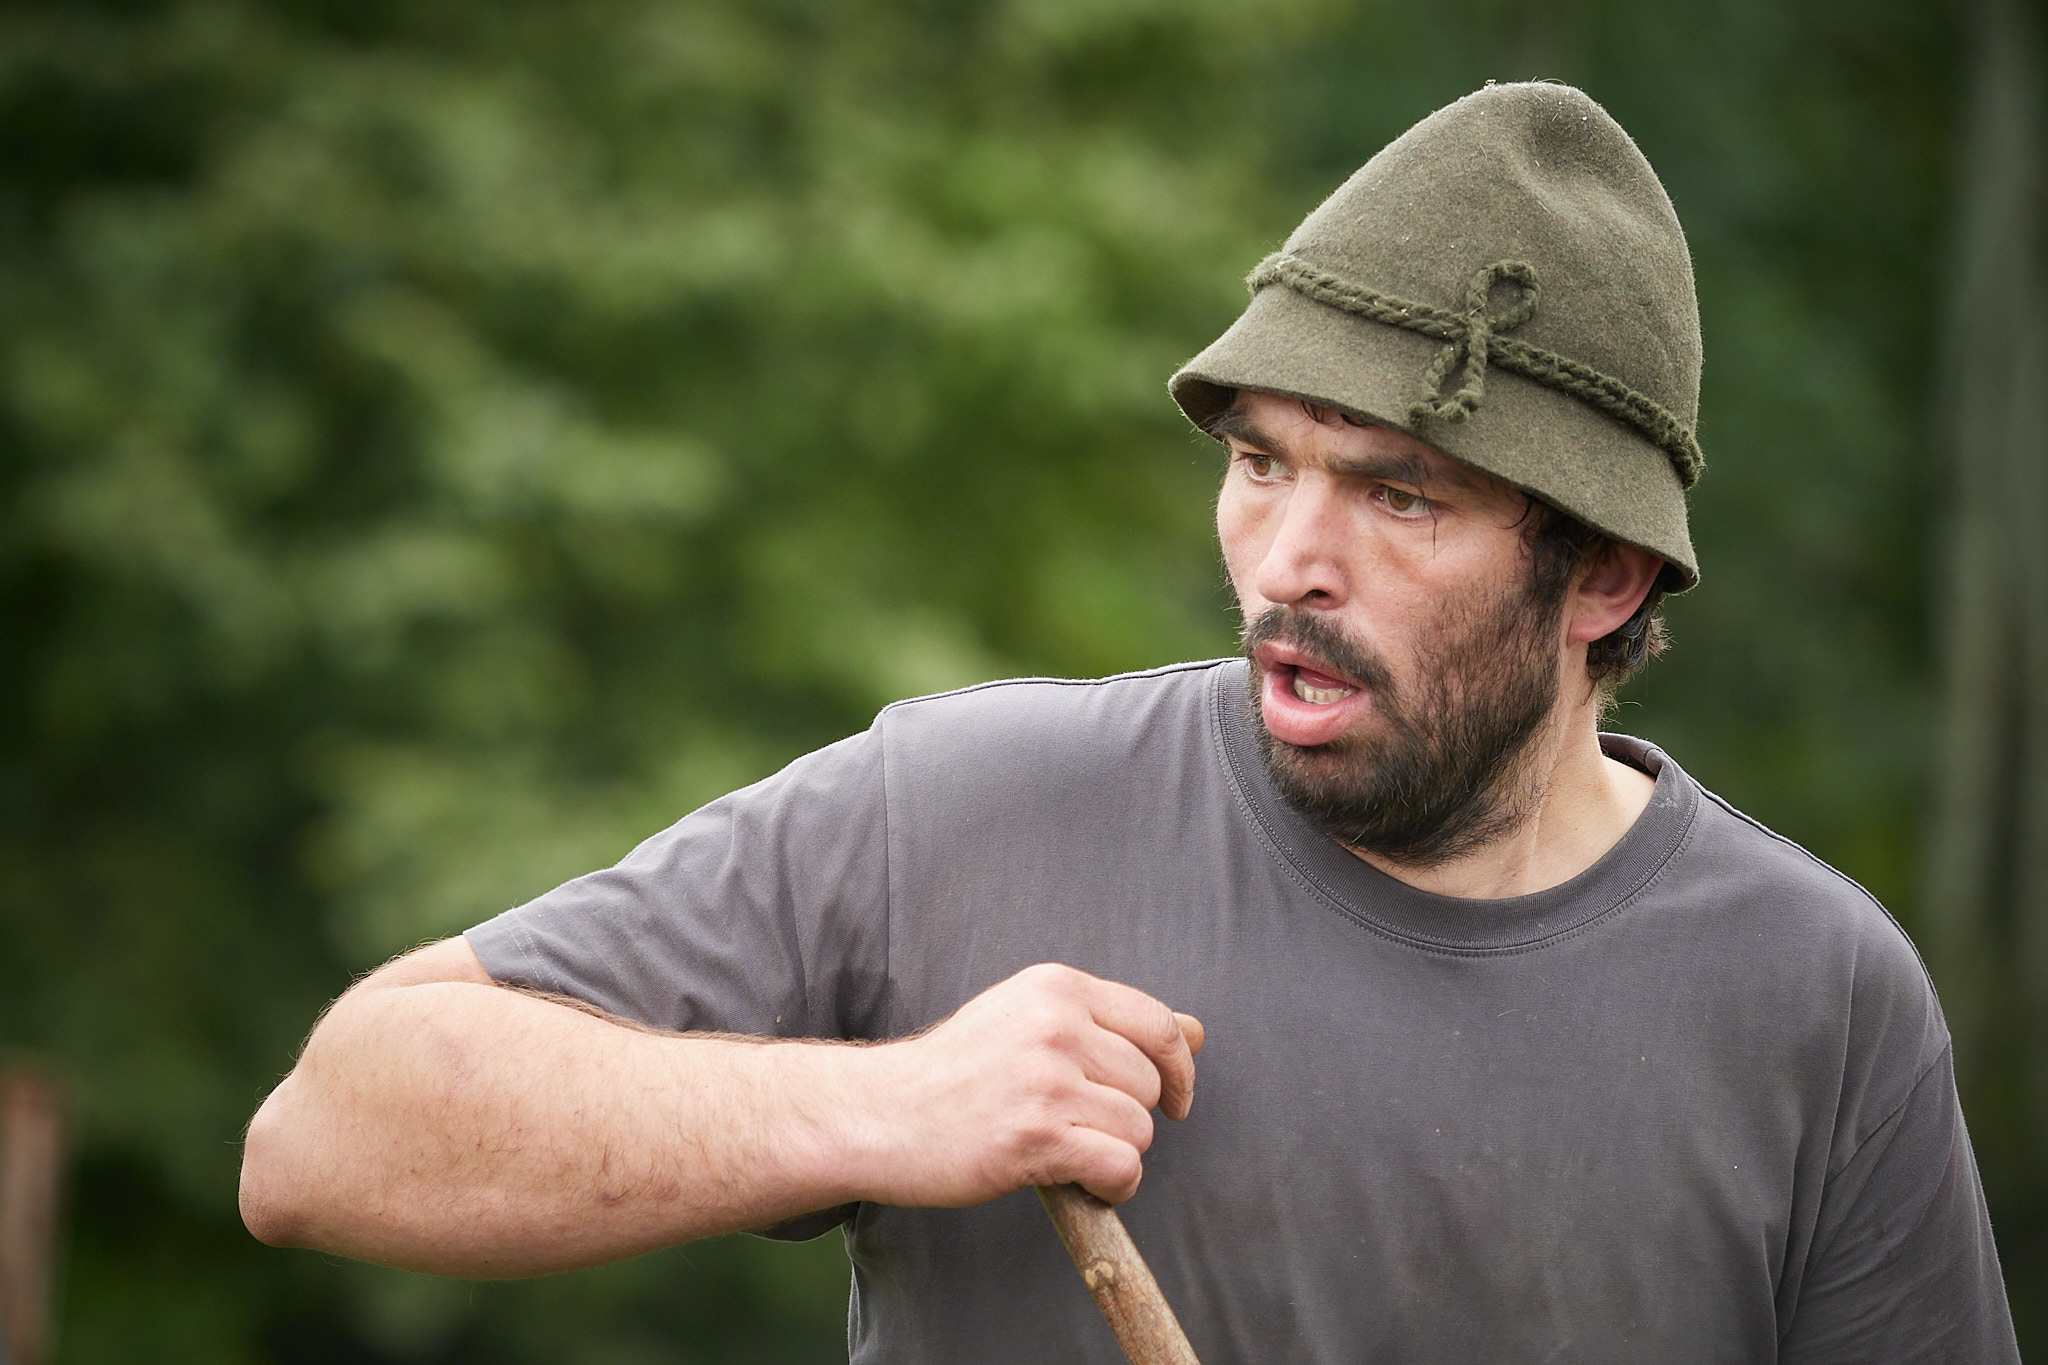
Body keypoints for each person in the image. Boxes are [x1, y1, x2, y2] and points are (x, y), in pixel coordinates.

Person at [238, 82, 2020, 1362]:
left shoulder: (1817, 1002)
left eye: (1398, 496)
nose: (1289, 558)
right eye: (1261, 464)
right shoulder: (970, 811)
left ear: (1605, 577)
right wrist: (884, 1105)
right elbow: (329, 1134)